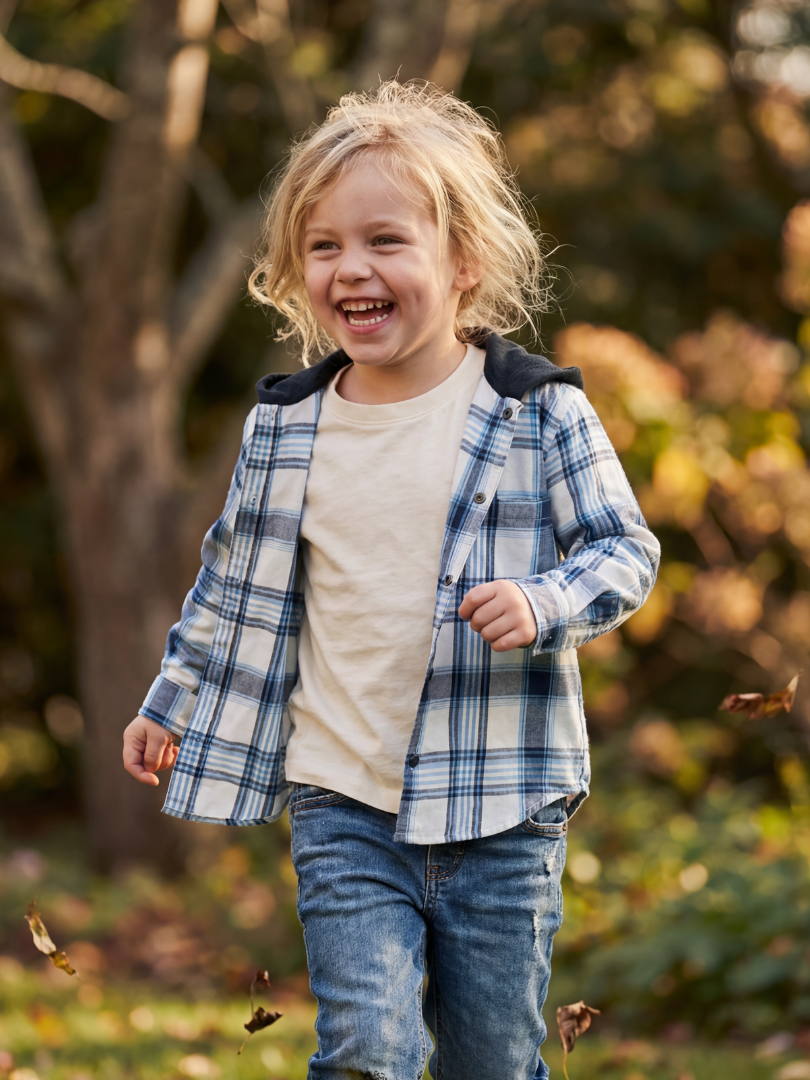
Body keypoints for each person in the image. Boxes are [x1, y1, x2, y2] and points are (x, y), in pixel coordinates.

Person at [123, 80, 660, 1080]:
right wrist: (173, 697)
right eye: (323, 247)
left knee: (490, 1061)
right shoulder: (284, 428)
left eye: (384, 241)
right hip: (343, 801)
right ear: (294, 271)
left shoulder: (537, 414)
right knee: (368, 1050)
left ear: (463, 264)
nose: (351, 269)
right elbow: (230, 582)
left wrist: (543, 603)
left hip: (502, 803)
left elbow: (626, 552)